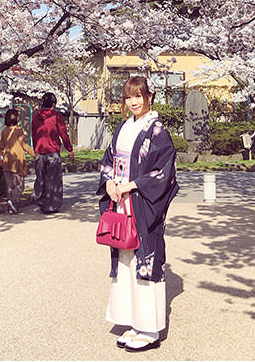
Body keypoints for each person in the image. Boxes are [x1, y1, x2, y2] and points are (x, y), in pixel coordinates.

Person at [97, 76, 179, 352]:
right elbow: (109, 160)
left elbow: (163, 172)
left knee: (146, 260)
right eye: (128, 97)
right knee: (125, 258)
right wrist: (109, 182)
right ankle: (132, 320)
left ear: (149, 97)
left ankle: (150, 328)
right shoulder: (124, 126)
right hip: (120, 200)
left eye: (138, 96)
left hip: (142, 204)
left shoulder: (157, 131)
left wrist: (132, 185)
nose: (133, 102)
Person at [31, 92, 75, 214]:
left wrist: (36, 149)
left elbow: (34, 134)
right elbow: (63, 134)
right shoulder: (56, 116)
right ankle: (50, 205)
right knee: (52, 179)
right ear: (53, 104)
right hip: (52, 151)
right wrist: (69, 150)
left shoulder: (35, 116)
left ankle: (39, 198)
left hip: (39, 151)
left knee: (40, 177)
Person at [0, 108, 35, 214]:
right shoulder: (18, 131)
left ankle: (10, 205)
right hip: (17, 162)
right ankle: (13, 202)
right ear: (16, 118)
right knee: (19, 185)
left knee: (9, 186)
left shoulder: (4, 131)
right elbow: (24, 144)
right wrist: (34, 154)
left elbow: (2, 146)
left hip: (7, 162)